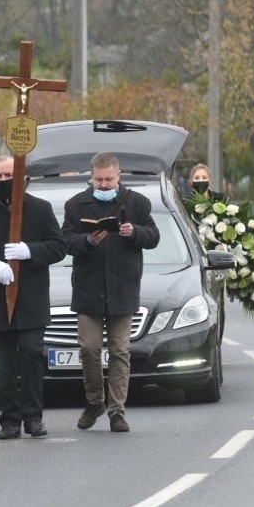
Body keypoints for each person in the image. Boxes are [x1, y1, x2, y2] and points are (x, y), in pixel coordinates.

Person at [0, 155, 66, 440]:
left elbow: (58, 247)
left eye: (10, 175)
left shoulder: (41, 209)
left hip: (31, 298)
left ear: (23, 178)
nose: (4, 181)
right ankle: (9, 420)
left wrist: (30, 251)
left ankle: (33, 417)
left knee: (31, 354)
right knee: (2, 362)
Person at [62, 152, 160, 433]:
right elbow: (65, 240)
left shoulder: (138, 203)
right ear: (90, 177)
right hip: (88, 289)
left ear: (119, 176)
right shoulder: (75, 204)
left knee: (120, 350)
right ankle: (95, 401)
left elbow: (153, 237)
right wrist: (88, 240)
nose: (104, 185)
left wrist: (135, 232)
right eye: (99, 180)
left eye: (109, 179)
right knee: (89, 348)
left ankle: (117, 410)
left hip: (123, 288)